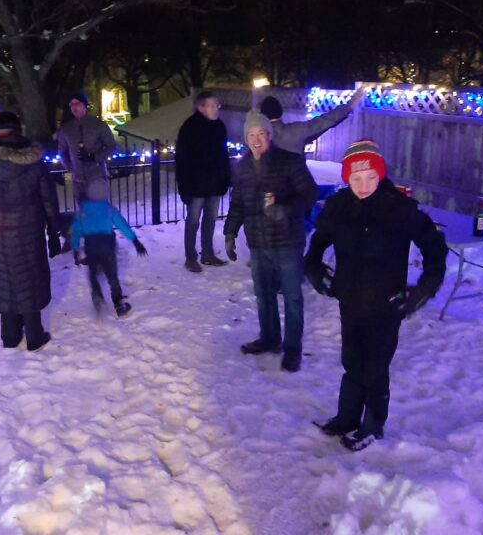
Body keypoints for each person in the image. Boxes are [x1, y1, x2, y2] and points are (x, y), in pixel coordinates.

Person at [304, 140, 448, 451]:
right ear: (346, 178)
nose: (364, 185)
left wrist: (421, 292)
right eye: (356, 178)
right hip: (350, 299)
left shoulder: (399, 209)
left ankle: (372, 426)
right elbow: (318, 243)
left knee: (375, 366)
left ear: (380, 175)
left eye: (371, 176)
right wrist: (314, 270)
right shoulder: (338, 206)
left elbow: (435, 250)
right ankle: (346, 418)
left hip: (387, 303)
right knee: (352, 360)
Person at [223, 110, 318, 371]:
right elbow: (238, 204)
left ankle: (292, 349)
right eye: (251, 134)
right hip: (257, 242)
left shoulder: (290, 161)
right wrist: (230, 233)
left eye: (261, 133)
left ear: (269, 135)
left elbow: (309, 194)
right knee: (263, 295)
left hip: (287, 241)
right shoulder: (242, 167)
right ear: (246, 138)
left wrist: (284, 209)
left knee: (291, 297)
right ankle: (270, 339)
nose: (256, 139)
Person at [0, 111, 63, 352]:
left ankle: (9, 335)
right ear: (18, 131)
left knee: (5, 277)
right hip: (29, 232)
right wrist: (53, 233)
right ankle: (34, 335)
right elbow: (49, 201)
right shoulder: (34, 161)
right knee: (30, 278)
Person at [71, 180, 148, 317]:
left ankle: (96, 294)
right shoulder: (108, 209)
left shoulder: (82, 211)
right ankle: (118, 303)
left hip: (91, 246)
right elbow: (122, 225)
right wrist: (135, 241)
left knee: (93, 272)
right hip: (107, 246)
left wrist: (76, 249)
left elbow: (76, 231)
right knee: (112, 275)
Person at [175, 90, 232, 272]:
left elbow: (223, 156)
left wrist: (225, 179)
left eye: (218, 105)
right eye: (212, 105)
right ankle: (190, 257)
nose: (216, 109)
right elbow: (182, 160)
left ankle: (207, 253)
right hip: (195, 186)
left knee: (210, 221)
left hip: (214, 184)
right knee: (193, 222)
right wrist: (184, 187)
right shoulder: (190, 128)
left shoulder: (219, 127)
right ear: (201, 107)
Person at [260, 86, 365, 155]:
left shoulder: (256, 137)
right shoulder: (295, 131)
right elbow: (324, 122)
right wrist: (349, 106)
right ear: (280, 112)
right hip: (294, 185)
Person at [57, 90, 117, 201]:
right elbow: (62, 151)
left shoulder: (98, 125)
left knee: (99, 210)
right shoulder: (66, 129)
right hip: (78, 179)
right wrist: (70, 168)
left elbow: (112, 147)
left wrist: (94, 157)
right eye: (72, 104)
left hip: (97, 176)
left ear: (84, 105)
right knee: (84, 213)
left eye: (77, 104)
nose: (74, 107)